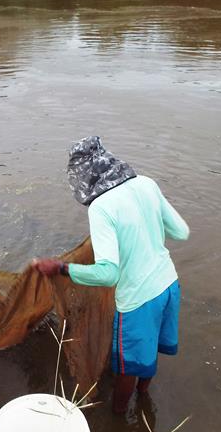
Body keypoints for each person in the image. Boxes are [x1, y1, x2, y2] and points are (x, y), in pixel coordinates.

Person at [32, 136, 189, 413]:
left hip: (138, 302)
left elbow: (108, 274)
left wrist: (61, 268)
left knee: (128, 367)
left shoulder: (101, 207)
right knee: (149, 352)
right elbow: (181, 232)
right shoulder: (146, 183)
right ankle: (143, 399)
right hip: (169, 285)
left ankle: (117, 420)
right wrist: (144, 232)